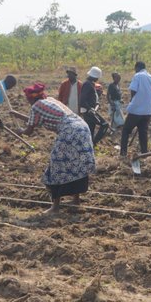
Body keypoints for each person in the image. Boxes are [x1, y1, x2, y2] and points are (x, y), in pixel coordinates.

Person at [21, 82, 96, 212]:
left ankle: (55, 206)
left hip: (69, 131)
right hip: (82, 128)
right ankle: (76, 200)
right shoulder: (50, 100)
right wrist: (16, 114)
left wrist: (19, 131)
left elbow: (29, 130)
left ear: (31, 98)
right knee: (76, 163)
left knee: (56, 165)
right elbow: (34, 121)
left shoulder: (36, 106)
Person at [120, 61, 151, 157]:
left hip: (137, 110)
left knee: (126, 130)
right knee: (143, 132)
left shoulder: (137, 76)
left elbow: (133, 90)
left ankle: (123, 154)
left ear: (137, 68)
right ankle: (144, 153)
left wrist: (132, 102)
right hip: (148, 110)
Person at [78, 66, 109, 146]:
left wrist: (96, 104)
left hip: (91, 111)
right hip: (88, 112)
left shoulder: (90, 84)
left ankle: (90, 145)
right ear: (95, 77)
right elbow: (82, 100)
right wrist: (89, 109)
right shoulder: (87, 84)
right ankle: (94, 143)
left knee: (91, 129)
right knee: (105, 125)